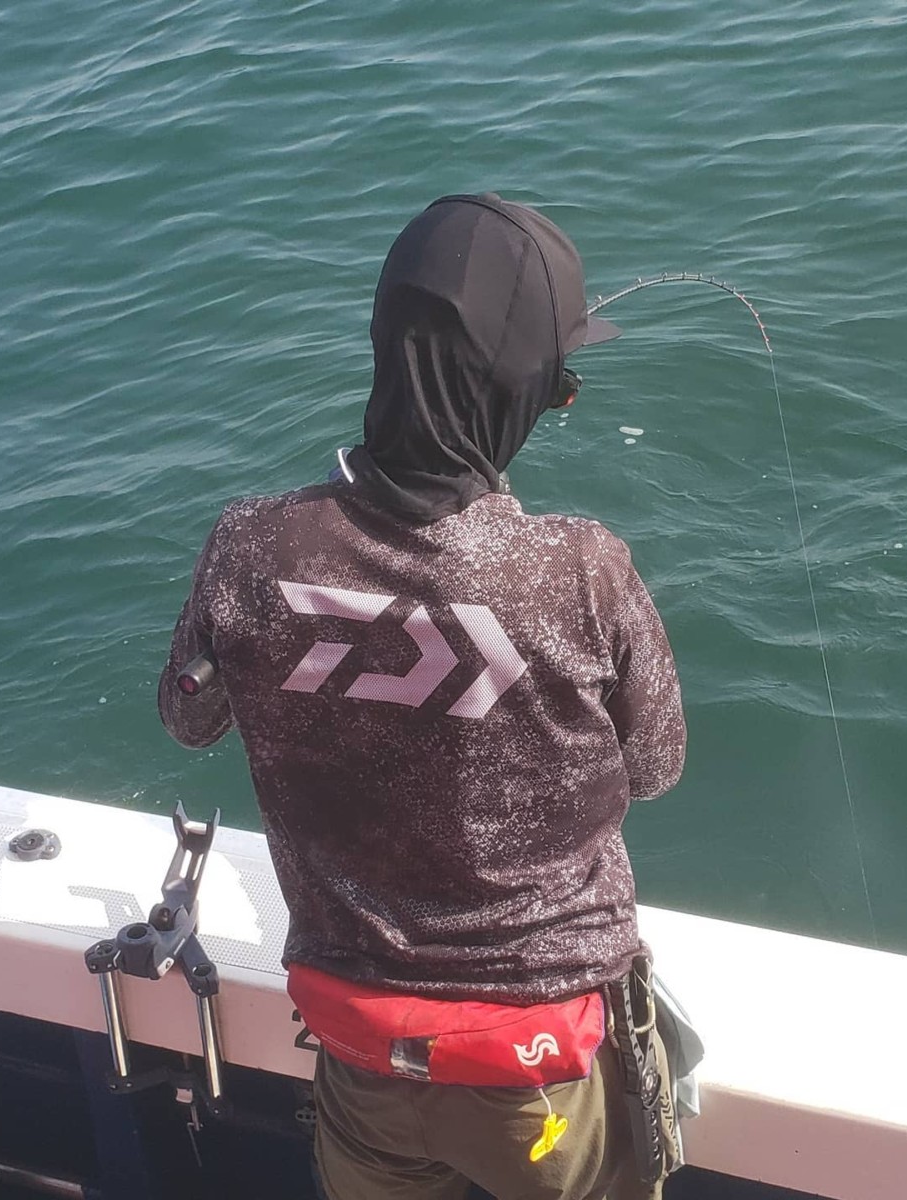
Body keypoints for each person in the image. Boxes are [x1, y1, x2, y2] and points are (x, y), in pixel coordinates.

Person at [158, 192, 687, 1200]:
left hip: (366, 1057)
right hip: (545, 1079)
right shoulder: (579, 571)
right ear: (520, 395)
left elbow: (187, 718)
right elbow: (657, 768)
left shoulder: (248, 546)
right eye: (558, 386)